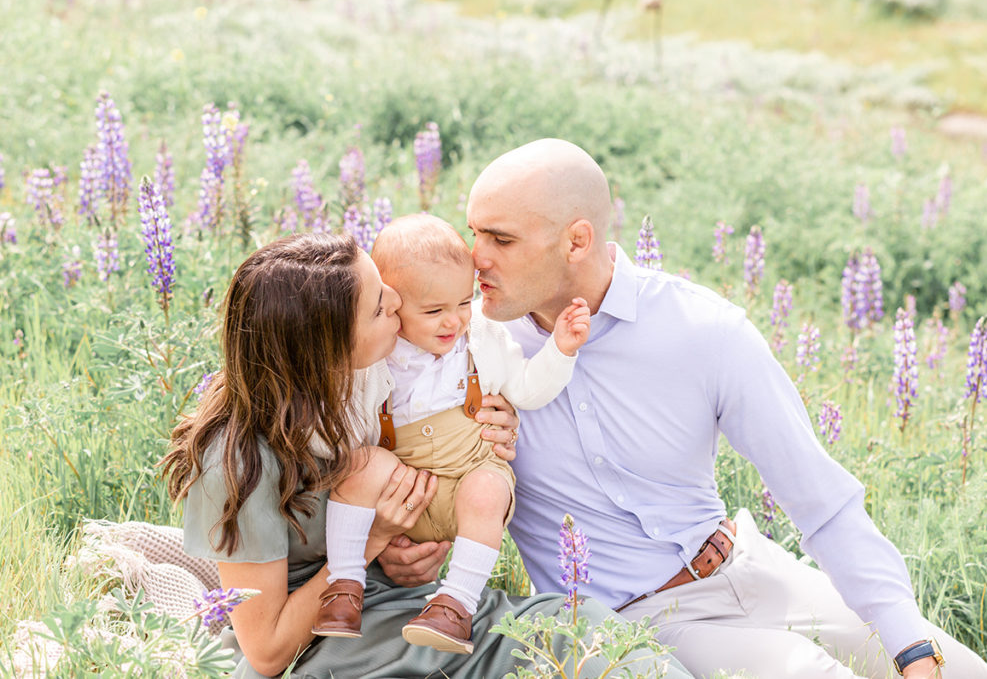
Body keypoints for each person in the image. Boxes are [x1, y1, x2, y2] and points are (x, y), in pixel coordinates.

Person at [378, 139, 987, 679]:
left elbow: (824, 502)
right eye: (473, 233)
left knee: (959, 671)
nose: (475, 257)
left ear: (576, 240)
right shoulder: (459, 346)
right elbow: (394, 441)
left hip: (749, 568)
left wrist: (912, 646)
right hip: (633, 618)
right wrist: (402, 545)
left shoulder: (704, 331)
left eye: (500, 239)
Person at [162, 232, 684, 679]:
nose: (398, 303)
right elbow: (267, 650)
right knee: (553, 648)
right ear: (329, 344)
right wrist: (374, 540)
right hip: (333, 640)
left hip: (411, 606)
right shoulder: (237, 460)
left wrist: (489, 428)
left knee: (579, 627)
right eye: (380, 306)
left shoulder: (361, 391)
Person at [312, 214, 591, 654]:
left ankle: (455, 605)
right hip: (402, 495)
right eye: (433, 311)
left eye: (463, 302)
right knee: (360, 464)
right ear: (390, 303)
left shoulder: (481, 338)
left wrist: (560, 350)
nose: (453, 322)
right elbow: (349, 431)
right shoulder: (377, 355)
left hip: (468, 479)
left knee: (487, 490)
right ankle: (344, 585)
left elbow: (527, 388)